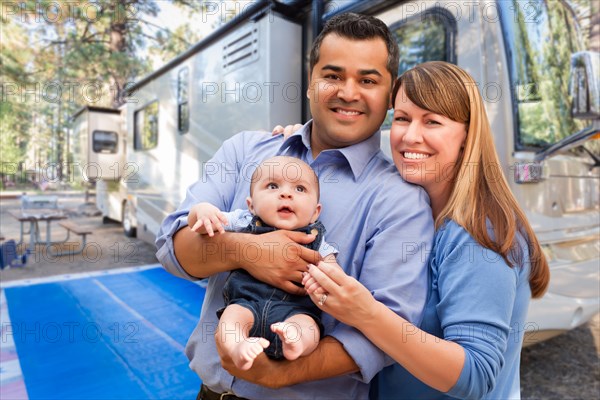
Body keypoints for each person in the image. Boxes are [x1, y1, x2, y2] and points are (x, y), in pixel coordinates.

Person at [155, 13, 433, 399]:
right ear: (310, 82)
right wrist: (248, 250)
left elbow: (390, 332)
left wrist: (278, 375)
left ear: (390, 95)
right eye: (332, 76)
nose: (348, 93)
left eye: (367, 80)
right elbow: (172, 248)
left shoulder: (402, 201)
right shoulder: (244, 150)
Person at [301, 61, 550, 399]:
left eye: (432, 121)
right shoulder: (413, 212)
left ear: (467, 136)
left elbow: (475, 375)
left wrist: (366, 313)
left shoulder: (477, 233)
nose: (410, 136)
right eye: (402, 118)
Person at [187, 156, 337, 371]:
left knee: (309, 327)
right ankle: (238, 346)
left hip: (295, 311)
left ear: (315, 212)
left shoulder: (317, 240)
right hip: (246, 304)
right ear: (252, 205)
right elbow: (201, 226)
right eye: (272, 186)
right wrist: (201, 211)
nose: (286, 194)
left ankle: (296, 342)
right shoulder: (243, 221)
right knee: (230, 321)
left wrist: (327, 280)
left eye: (300, 189)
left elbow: (335, 274)